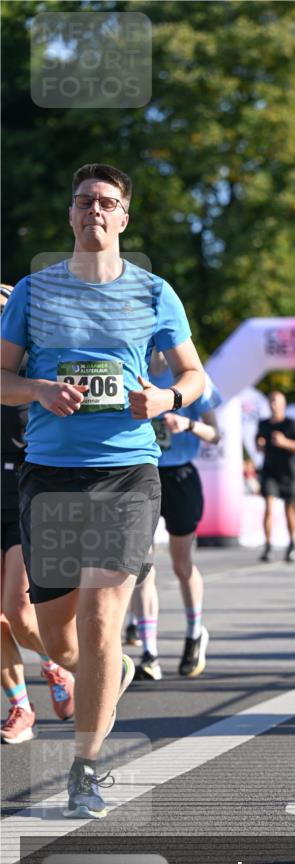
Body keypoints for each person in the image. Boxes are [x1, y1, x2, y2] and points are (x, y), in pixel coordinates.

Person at [0, 163, 205, 816]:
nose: (94, 209)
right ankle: (98, 671)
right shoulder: (34, 291)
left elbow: (193, 374)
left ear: (123, 218)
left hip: (127, 471)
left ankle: (86, 765)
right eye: (83, 199)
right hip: (50, 475)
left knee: (99, 617)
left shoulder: (153, 292)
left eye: (107, 202)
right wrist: (36, 390)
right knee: (57, 637)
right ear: (70, 215)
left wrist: (167, 395)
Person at [1, 284, 75, 744]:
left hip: (23, 494)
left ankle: (58, 663)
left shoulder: (30, 366)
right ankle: (20, 707)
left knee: (17, 611)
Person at [129, 351, 221, 681]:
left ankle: (195, 632)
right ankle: (149, 652)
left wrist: (188, 424)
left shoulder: (194, 376)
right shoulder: (133, 367)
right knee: (142, 567)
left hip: (180, 475)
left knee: (182, 564)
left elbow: (216, 433)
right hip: (141, 474)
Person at [256, 390, 295, 563]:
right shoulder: (263, 424)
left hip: (289, 472)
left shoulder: (291, 424)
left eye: (276, 401)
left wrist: (284, 442)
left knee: (289, 510)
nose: (273, 404)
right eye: (271, 400)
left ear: (283, 404)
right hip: (269, 471)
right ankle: (268, 546)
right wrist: (259, 445)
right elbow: (258, 443)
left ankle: (292, 544)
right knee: (268, 505)